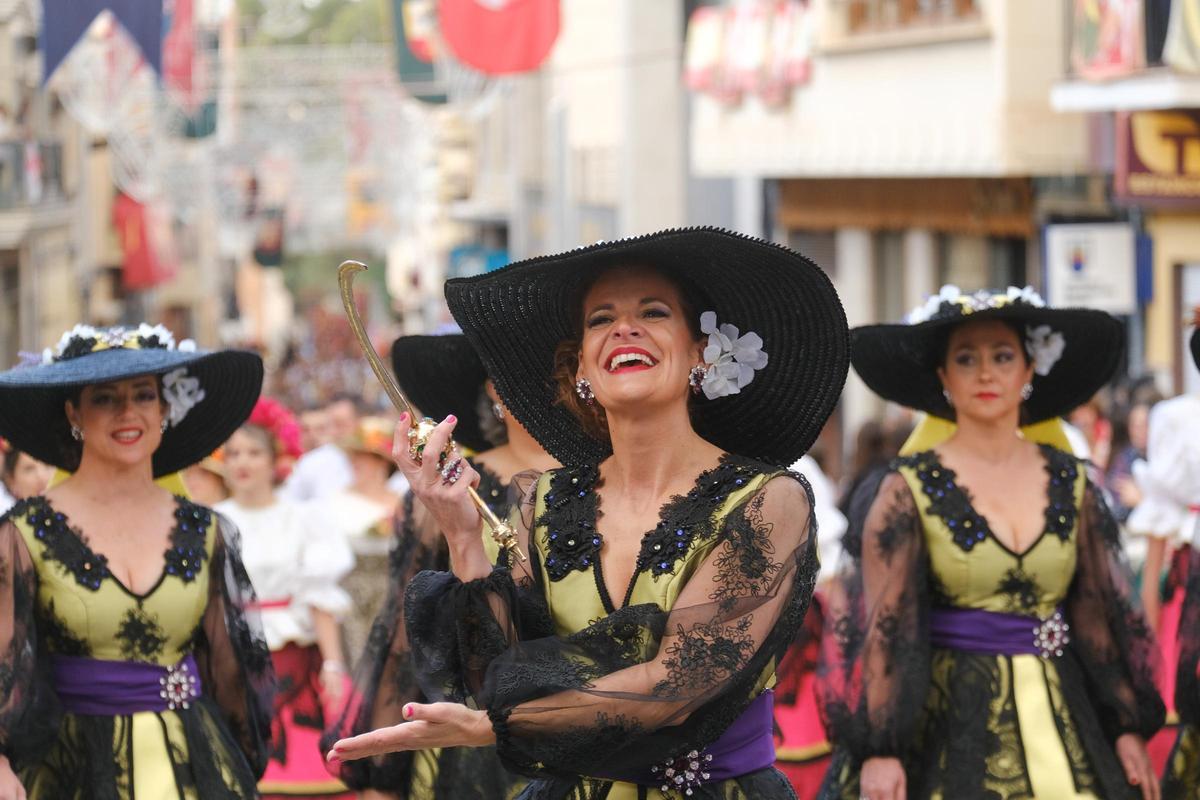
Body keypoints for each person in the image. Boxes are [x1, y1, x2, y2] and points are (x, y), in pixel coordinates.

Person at [328, 227, 849, 799]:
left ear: (702, 351)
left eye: (652, 311)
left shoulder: (767, 500)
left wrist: (488, 729)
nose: (624, 328)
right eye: (601, 319)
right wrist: (461, 534)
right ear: (581, 366)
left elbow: (676, 685)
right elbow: (499, 678)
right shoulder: (547, 502)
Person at [819, 285, 1164, 800]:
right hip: (945, 722)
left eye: (1002, 356)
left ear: (1029, 371)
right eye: (966, 358)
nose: (985, 373)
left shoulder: (1073, 482)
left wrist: (1124, 725)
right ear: (943, 377)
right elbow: (885, 623)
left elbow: (1097, 611)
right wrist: (882, 748)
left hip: (1067, 714)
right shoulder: (905, 489)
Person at [0, 323, 274, 798]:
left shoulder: (206, 530)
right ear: (73, 413)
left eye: (143, 395)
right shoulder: (22, 533)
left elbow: (229, 672)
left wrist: (241, 770)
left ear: (164, 408)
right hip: (71, 770)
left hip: (196, 766)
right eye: (105, 398)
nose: (128, 412)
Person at [324, 332, 557, 799]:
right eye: (511, 371)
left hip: (593, 735)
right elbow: (407, 633)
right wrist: (385, 777)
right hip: (467, 744)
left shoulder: (613, 484)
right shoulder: (449, 487)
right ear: (491, 390)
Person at [216, 397, 355, 799]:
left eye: (254, 452)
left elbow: (319, 594)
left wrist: (333, 664)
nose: (242, 462)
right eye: (234, 453)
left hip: (295, 666)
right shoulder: (210, 520)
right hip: (231, 664)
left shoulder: (303, 518)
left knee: (303, 777)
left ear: (275, 458)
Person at [328, 416, 404, 666]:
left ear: (383, 462)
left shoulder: (404, 502)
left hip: (396, 595)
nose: (355, 462)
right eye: (354, 456)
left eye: (364, 456)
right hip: (351, 598)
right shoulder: (335, 502)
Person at [0, 442, 53, 515]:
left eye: (47, 465)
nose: (41, 476)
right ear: (10, 480)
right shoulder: (8, 524)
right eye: (29, 469)